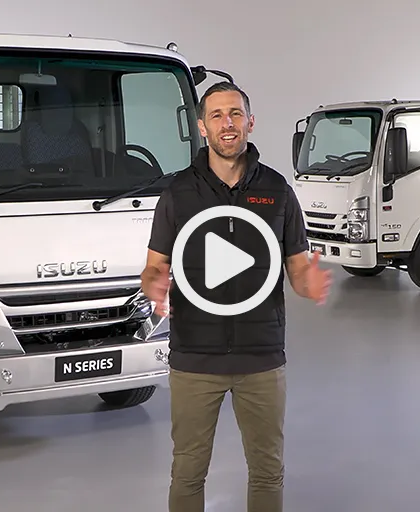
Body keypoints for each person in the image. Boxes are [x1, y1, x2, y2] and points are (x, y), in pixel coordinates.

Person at [140, 80, 332, 512]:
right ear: (202, 127)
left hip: (261, 357)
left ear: (250, 122)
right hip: (194, 357)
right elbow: (153, 265)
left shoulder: (278, 190)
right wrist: (154, 282)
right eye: (216, 116)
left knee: (267, 470)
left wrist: (309, 283)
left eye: (235, 114)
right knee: (187, 472)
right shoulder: (177, 193)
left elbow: (297, 268)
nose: (227, 123)